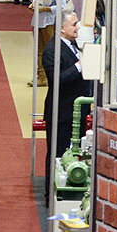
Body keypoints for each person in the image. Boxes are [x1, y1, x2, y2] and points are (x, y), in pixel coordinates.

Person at [42, 12, 92, 206]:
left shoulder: (73, 46)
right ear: (62, 28)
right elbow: (57, 80)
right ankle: (49, 196)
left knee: (74, 152)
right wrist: (79, 66)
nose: (77, 27)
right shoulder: (51, 51)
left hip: (77, 113)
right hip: (61, 113)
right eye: (74, 24)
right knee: (56, 153)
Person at [28, 0, 66, 87]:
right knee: (39, 51)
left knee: (49, 51)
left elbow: (61, 6)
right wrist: (33, 4)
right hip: (38, 21)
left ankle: (51, 76)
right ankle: (41, 76)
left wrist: (46, 9)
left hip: (49, 22)